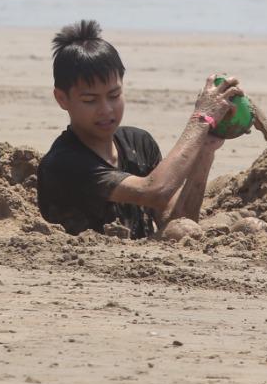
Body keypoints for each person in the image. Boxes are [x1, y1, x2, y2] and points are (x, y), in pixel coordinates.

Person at [36, 20, 244, 238]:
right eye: (90, 100)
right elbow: (154, 191)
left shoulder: (139, 142)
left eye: (114, 95)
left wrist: (205, 150)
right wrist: (201, 120)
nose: (106, 109)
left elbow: (178, 218)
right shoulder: (64, 162)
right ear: (62, 98)